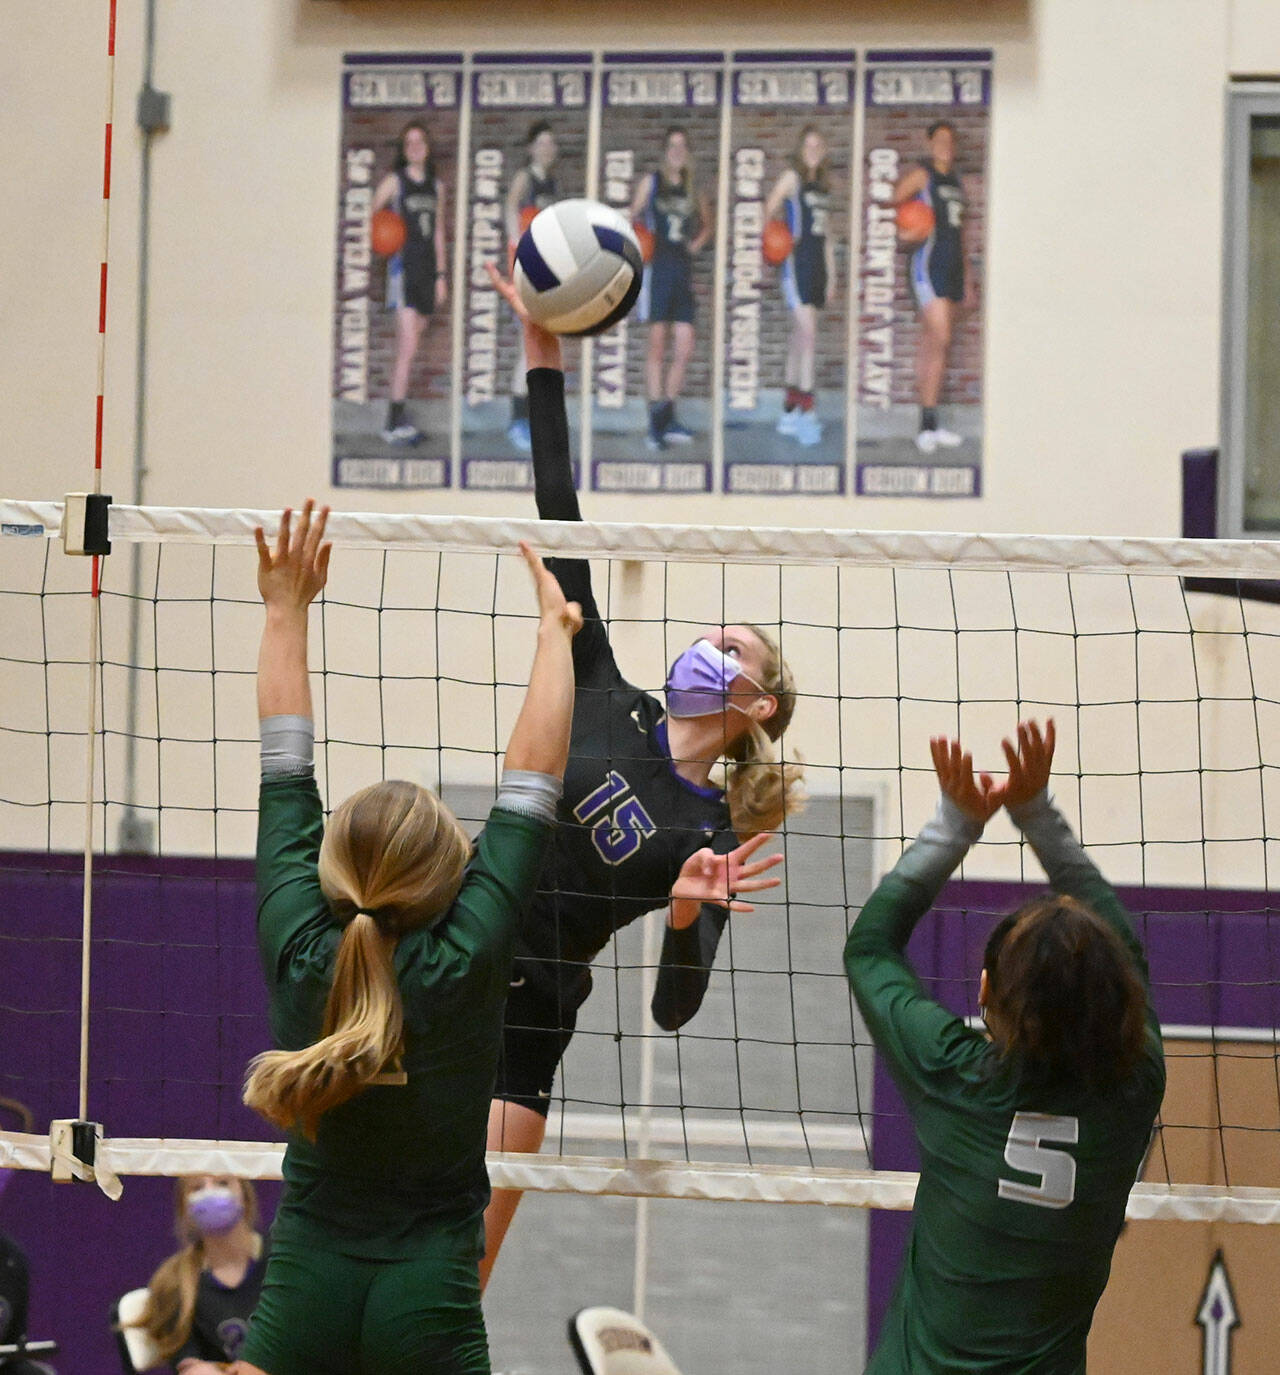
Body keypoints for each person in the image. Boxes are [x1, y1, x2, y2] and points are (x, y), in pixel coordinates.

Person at [481, 262, 805, 1287]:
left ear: (753, 705)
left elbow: (671, 1011)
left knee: (462, 1267)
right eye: (710, 633)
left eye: (731, 651)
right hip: (456, 945)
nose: (705, 647)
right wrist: (543, 366)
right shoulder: (600, 682)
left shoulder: (712, 838)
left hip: (533, 1005)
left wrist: (678, 919)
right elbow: (559, 507)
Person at [234, 500, 581, 1375]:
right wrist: (554, 632)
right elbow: (533, 784)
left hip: (309, 1264)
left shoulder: (299, 941)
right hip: (428, 1281)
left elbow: (284, 765)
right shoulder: (466, 954)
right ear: (447, 877)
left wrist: (284, 608)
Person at [844, 720, 1165, 1373]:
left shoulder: (959, 1075)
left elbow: (869, 946)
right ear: (1117, 994)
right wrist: (1037, 815)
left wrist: (958, 823)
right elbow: (1126, 952)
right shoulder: (1137, 1083)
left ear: (986, 992)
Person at [123, 1175, 266, 1373]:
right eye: (197, 1187)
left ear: (245, 1195)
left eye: (222, 1183)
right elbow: (192, 1368)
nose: (210, 1192)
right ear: (184, 1208)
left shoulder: (285, 1260)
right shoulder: (174, 1281)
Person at [893, 120, 975, 455]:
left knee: (935, 344)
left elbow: (962, 233)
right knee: (939, 338)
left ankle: (931, 423)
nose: (945, 146)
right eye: (939, 140)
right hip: (928, 265)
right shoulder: (922, 176)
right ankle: (925, 426)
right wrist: (907, 233)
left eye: (949, 141)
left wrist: (968, 277)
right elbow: (893, 205)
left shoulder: (955, 181)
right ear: (929, 144)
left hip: (953, 265)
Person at [629, 127, 714, 450]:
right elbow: (630, 218)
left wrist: (696, 244)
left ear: (687, 151)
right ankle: (655, 425)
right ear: (665, 151)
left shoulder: (693, 188)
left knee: (684, 345)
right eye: (672, 146)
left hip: (682, 270)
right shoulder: (652, 183)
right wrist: (640, 245)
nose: (677, 151)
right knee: (656, 346)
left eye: (682, 146)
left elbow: (708, 223)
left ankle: (667, 416)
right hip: (657, 270)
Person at [372, 121, 449, 447]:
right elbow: (371, 216)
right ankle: (392, 422)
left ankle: (398, 417)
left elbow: (440, 233)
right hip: (404, 270)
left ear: (427, 147)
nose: (415, 147)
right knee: (407, 347)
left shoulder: (437, 187)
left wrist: (442, 277)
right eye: (409, 143)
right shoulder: (395, 182)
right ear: (403, 151)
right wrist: (384, 240)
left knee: (413, 346)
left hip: (428, 273)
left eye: (420, 141)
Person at [764, 125, 837, 448]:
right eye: (807, 144)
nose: (812, 150)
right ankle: (808, 414)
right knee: (808, 336)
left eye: (817, 145)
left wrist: (833, 276)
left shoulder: (823, 186)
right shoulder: (791, 178)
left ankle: (789, 411)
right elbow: (767, 209)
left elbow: (829, 237)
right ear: (800, 148)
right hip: (795, 264)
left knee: (799, 337)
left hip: (818, 265)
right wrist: (776, 240)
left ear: (822, 150)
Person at [504, 120, 560, 454]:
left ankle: (529, 418)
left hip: (546, 268)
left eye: (551, 143)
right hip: (528, 267)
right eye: (541, 142)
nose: (547, 148)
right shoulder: (526, 177)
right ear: (531, 148)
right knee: (530, 346)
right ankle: (516, 420)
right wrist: (516, 243)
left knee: (539, 345)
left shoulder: (551, 182)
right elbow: (510, 206)